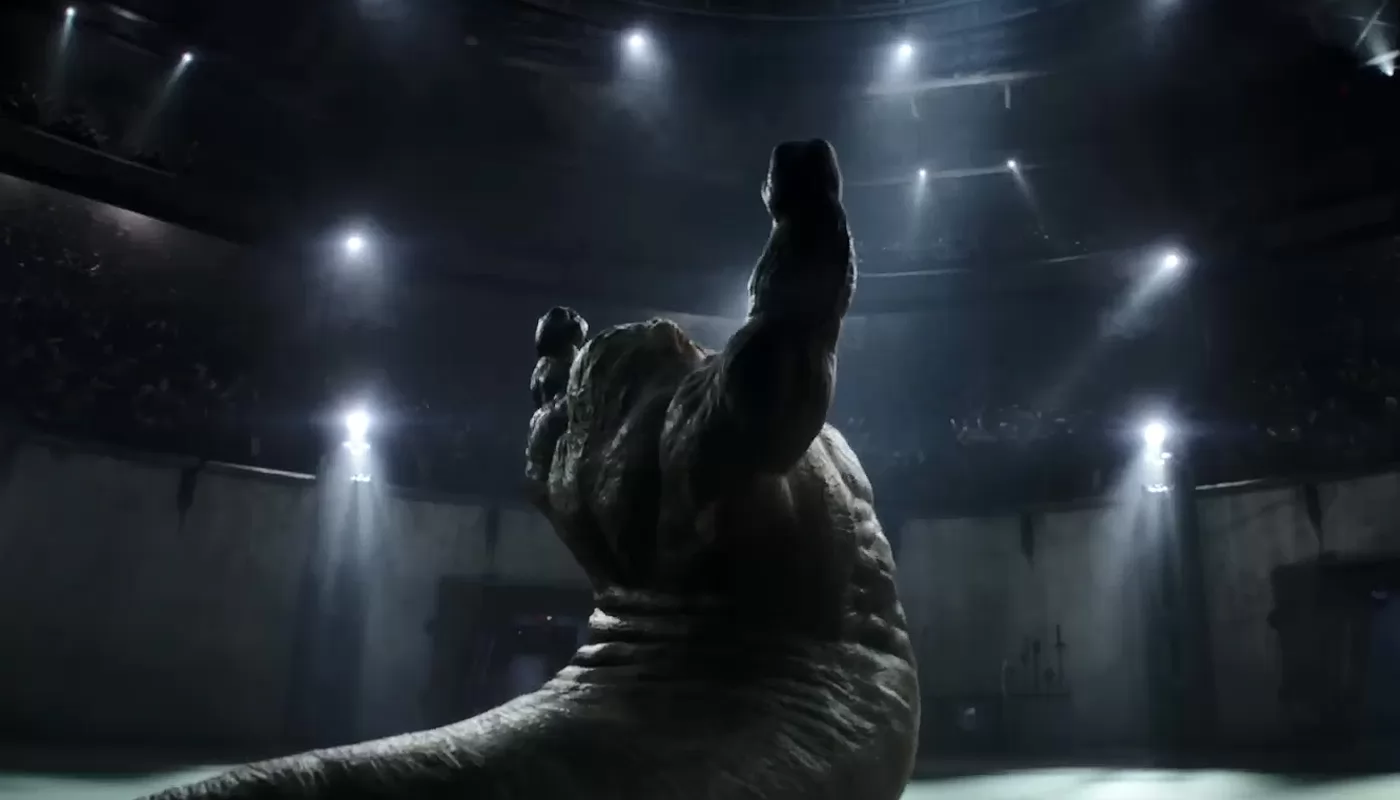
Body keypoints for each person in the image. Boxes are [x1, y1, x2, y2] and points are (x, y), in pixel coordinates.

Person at [151, 139, 919, 800]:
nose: (680, 334)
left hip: (800, 691)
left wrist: (804, 236)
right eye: (679, 349)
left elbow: (779, 352)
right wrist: (804, 223)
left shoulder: (683, 462)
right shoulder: (702, 455)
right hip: (795, 695)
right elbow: (783, 346)